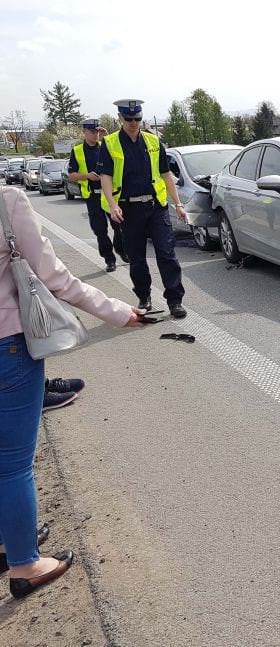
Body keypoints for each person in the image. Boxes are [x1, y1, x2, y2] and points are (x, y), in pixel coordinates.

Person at [0, 186, 145, 598]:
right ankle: (25, 562)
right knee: (11, 464)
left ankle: (6, 538)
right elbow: (55, 278)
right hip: (6, 348)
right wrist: (117, 312)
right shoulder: (6, 202)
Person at [98, 99, 188, 318]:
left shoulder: (153, 141)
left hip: (156, 206)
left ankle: (175, 300)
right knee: (136, 257)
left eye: (137, 118)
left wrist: (178, 204)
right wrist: (112, 205)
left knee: (166, 254)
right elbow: (106, 177)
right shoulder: (110, 144)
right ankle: (144, 296)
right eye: (128, 119)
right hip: (128, 209)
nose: (133, 123)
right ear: (120, 118)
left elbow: (166, 174)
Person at [67, 119, 127, 273]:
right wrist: (88, 175)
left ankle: (121, 249)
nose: (96, 134)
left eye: (98, 131)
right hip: (93, 196)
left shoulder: (107, 146)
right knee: (100, 230)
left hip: (110, 195)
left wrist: (107, 138)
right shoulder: (78, 150)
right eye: (93, 131)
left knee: (119, 225)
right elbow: (71, 175)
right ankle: (109, 259)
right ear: (84, 132)